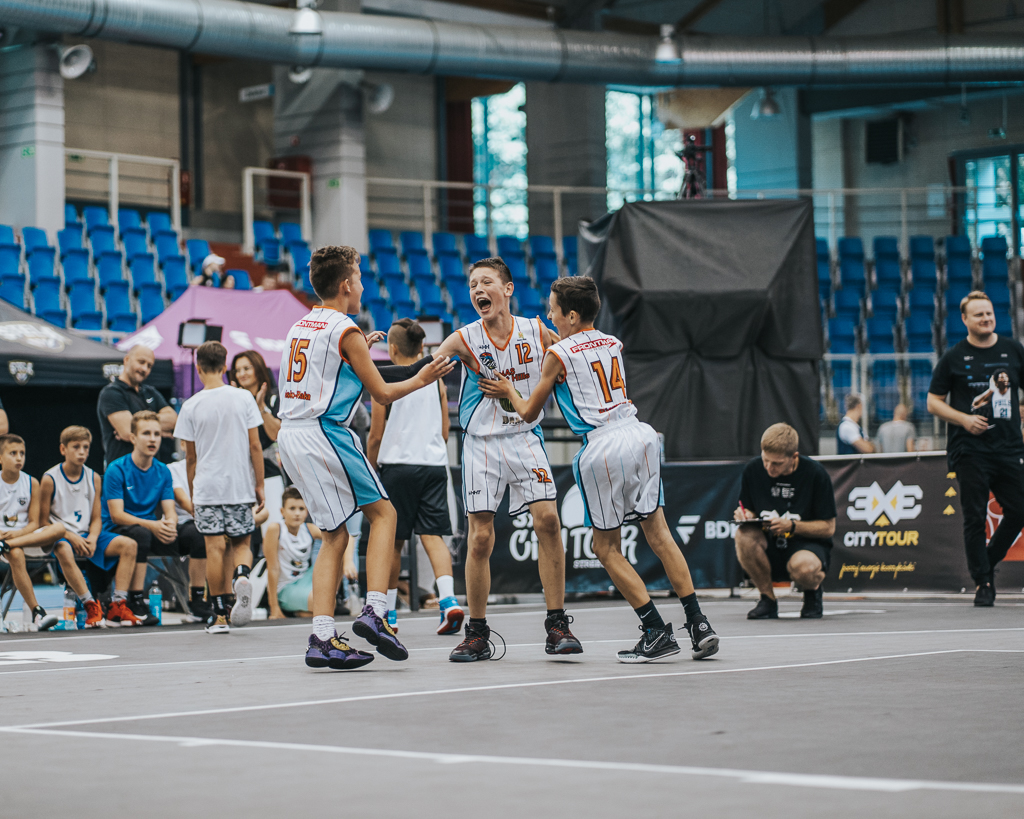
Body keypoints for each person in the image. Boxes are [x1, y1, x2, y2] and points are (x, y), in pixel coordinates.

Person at [481, 277, 719, 662]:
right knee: (659, 533)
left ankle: (655, 629)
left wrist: (508, 389)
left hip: (603, 446)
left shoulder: (557, 355)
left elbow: (528, 411)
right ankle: (698, 622)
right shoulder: (612, 342)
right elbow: (580, 352)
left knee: (604, 548)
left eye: (554, 309)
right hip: (640, 434)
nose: (549, 315)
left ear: (572, 315)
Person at [276, 244, 453, 670]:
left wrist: (361, 352)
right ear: (345, 285)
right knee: (384, 514)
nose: (362, 285)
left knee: (334, 534)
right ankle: (375, 611)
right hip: (325, 432)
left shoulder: (301, 324)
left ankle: (322, 638)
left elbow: (341, 371)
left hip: (291, 435)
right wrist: (424, 377)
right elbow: (383, 393)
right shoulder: (346, 330)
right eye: (358, 278)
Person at [432, 258, 582, 662]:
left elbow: (573, 357)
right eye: (472, 285)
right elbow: (424, 368)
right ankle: (477, 632)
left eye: (486, 282)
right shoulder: (464, 338)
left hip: (524, 437)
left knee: (549, 522)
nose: (478, 289)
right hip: (481, 443)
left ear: (508, 289)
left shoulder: (537, 330)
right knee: (480, 537)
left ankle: (557, 624)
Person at [367, 318, 464, 636]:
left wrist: (371, 468)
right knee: (434, 536)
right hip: (433, 465)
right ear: (422, 347)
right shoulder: (436, 380)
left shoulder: (383, 379)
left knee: (393, 542)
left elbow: (376, 435)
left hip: (397, 466)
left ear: (392, 349)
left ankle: (389, 614)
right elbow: (445, 431)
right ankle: (448, 601)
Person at [927, 290, 1024, 607]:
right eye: (979, 314)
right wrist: (964, 420)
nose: (986, 318)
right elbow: (933, 402)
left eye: (989, 313)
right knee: (974, 517)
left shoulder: (1013, 350)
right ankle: (983, 582)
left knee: (1019, 510)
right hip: (969, 449)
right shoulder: (954, 357)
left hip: (1009, 447)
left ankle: (988, 559)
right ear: (965, 319)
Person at [174, 341, 265, 634]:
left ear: (198, 368)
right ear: (225, 366)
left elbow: (190, 457)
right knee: (242, 544)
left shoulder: (190, 406)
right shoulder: (244, 398)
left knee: (213, 548)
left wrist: (193, 491)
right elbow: (255, 445)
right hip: (239, 484)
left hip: (207, 487)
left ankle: (219, 616)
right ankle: (241, 575)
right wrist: (259, 484)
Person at [733, 423, 837, 620]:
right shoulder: (753, 470)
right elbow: (749, 508)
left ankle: (812, 592)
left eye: (777, 463)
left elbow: (828, 527)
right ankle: (767, 599)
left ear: (794, 457)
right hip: (768, 541)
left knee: (804, 567)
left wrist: (792, 526)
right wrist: (744, 515)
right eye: (766, 460)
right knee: (743, 536)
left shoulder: (815, 473)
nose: (769, 467)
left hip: (805, 544)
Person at [93, 411, 178, 626]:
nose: (152, 439)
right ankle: (135, 600)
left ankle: (200, 602)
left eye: (157, 434)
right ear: (133, 438)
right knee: (141, 534)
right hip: (115, 530)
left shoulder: (163, 471)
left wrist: (171, 525)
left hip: (148, 528)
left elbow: (170, 510)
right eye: (146, 433)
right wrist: (153, 525)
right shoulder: (116, 469)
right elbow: (117, 515)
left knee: (194, 536)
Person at [0, 434, 71, 630]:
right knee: (15, 553)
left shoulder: (32, 483)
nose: (19, 458)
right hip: (7, 543)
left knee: (59, 529)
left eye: (22, 453)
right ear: (0, 458)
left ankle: (6, 545)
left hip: (24, 539)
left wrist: (16, 536)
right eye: (13, 453)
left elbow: (34, 523)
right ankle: (37, 612)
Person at [38, 426, 106, 628]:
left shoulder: (94, 477)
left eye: (86, 447)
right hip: (60, 536)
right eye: (76, 447)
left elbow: (96, 518)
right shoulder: (49, 479)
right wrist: (69, 535)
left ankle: (118, 603)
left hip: (86, 535)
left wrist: (93, 537)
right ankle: (89, 603)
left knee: (128, 545)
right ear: (63, 449)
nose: (82, 452)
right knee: (64, 548)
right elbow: (42, 522)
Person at [97, 345, 177, 469]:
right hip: (122, 472)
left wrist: (137, 423)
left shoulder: (150, 392)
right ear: (127, 360)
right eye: (141, 362)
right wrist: (160, 428)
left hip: (151, 471)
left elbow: (173, 420)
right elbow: (127, 431)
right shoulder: (111, 393)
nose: (144, 368)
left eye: (149, 366)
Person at [264, 487, 328, 618]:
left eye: (301, 509)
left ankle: (299, 612)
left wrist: (348, 563)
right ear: (282, 511)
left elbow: (346, 537)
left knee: (327, 601)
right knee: (322, 603)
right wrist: (274, 607)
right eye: (292, 508)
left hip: (305, 580)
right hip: (286, 586)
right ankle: (296, 609)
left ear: (307, 512)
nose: (297, 513)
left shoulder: (310, 529)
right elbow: (272, 568)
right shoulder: (275, 529)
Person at [168, 458, 213, 623]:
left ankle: (224, 598)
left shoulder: (213, 465)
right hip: (182, 524)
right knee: (199, 534)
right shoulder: (173, 468)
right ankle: (197, 599)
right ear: (182, 445)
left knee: (230, 537)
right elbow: (182, 499)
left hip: (212, 522)